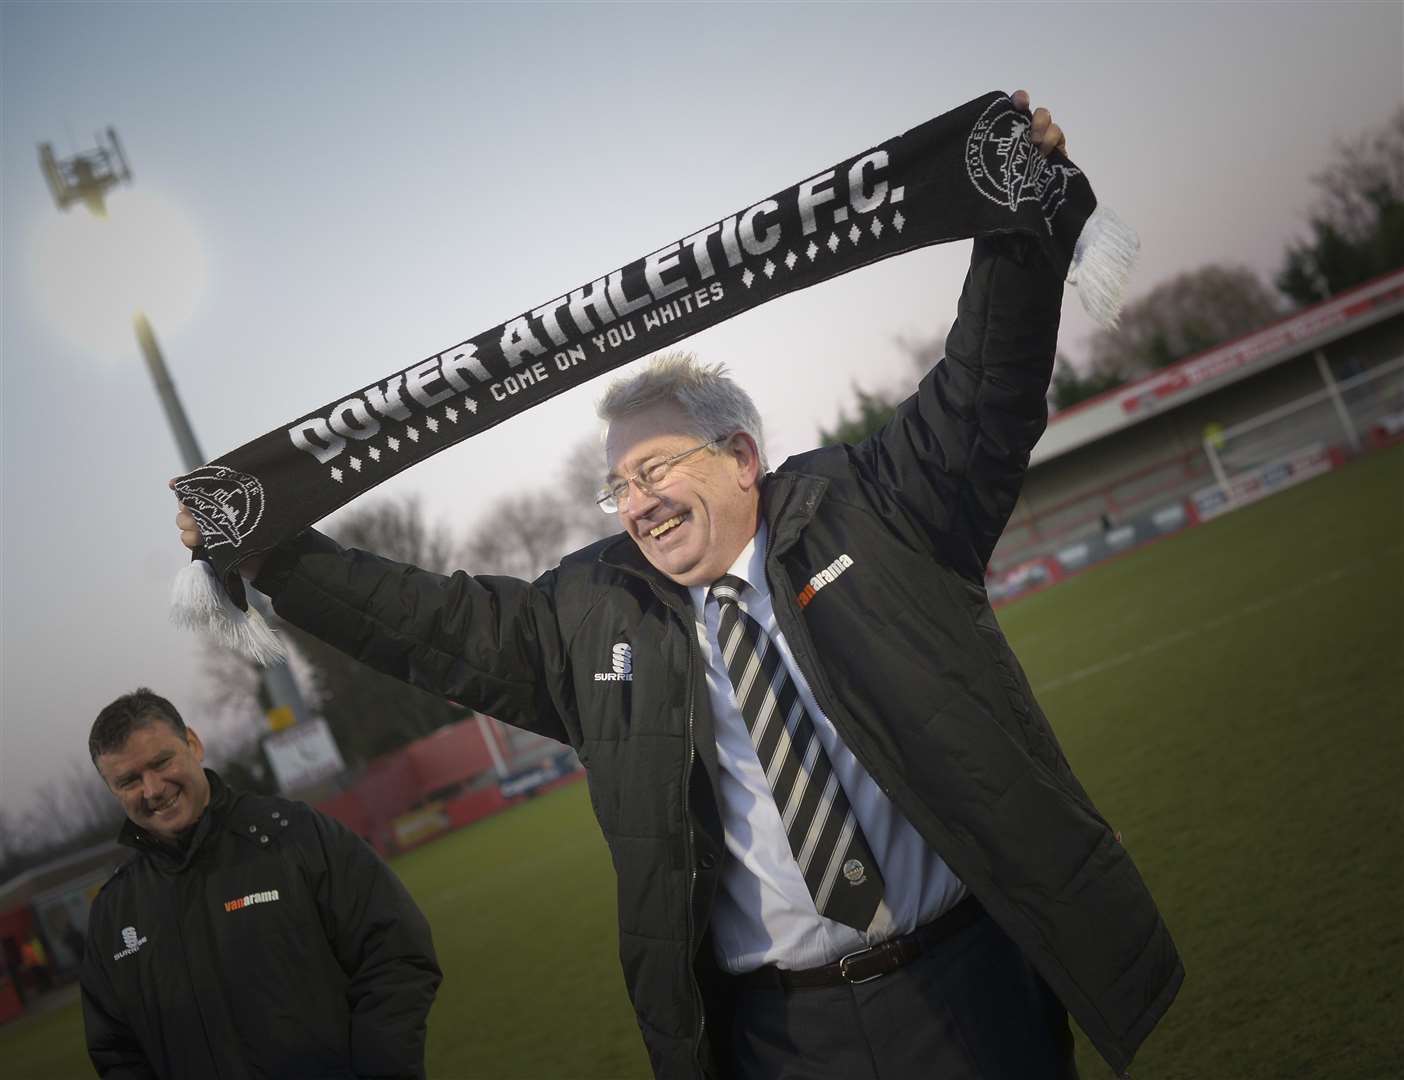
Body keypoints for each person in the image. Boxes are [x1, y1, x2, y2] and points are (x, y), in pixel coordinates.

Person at [176, 94, 1181, 1079]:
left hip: (972, 987)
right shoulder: (587, 613)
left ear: (741, 456)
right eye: (616, 486)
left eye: (655, 470)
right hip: (779, 1039)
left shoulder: (875, 511)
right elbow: (424, 625)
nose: (636, 503)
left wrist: (1018, 217)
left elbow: (985, 389)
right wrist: (270, 555)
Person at [80, 688, 442, 1079]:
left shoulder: (296, 836)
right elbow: (116, 1052)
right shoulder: (113, 914)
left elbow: (396, 954)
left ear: (193, 744)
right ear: (113, 790)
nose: (152, 789)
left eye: (161, 761)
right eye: (129, 780)